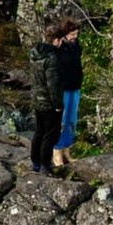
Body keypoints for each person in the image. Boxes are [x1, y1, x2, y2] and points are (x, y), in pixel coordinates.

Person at [48, 16, 83, 172]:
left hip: (74, 86)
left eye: (76, 34)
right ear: (65, 33)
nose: (75, 37)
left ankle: (67, 150)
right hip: (62, 88)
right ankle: (56, 152)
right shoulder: (58, 48)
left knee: (71, 120)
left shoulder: (76, 45)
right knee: (60, 121)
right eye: (72, 35)